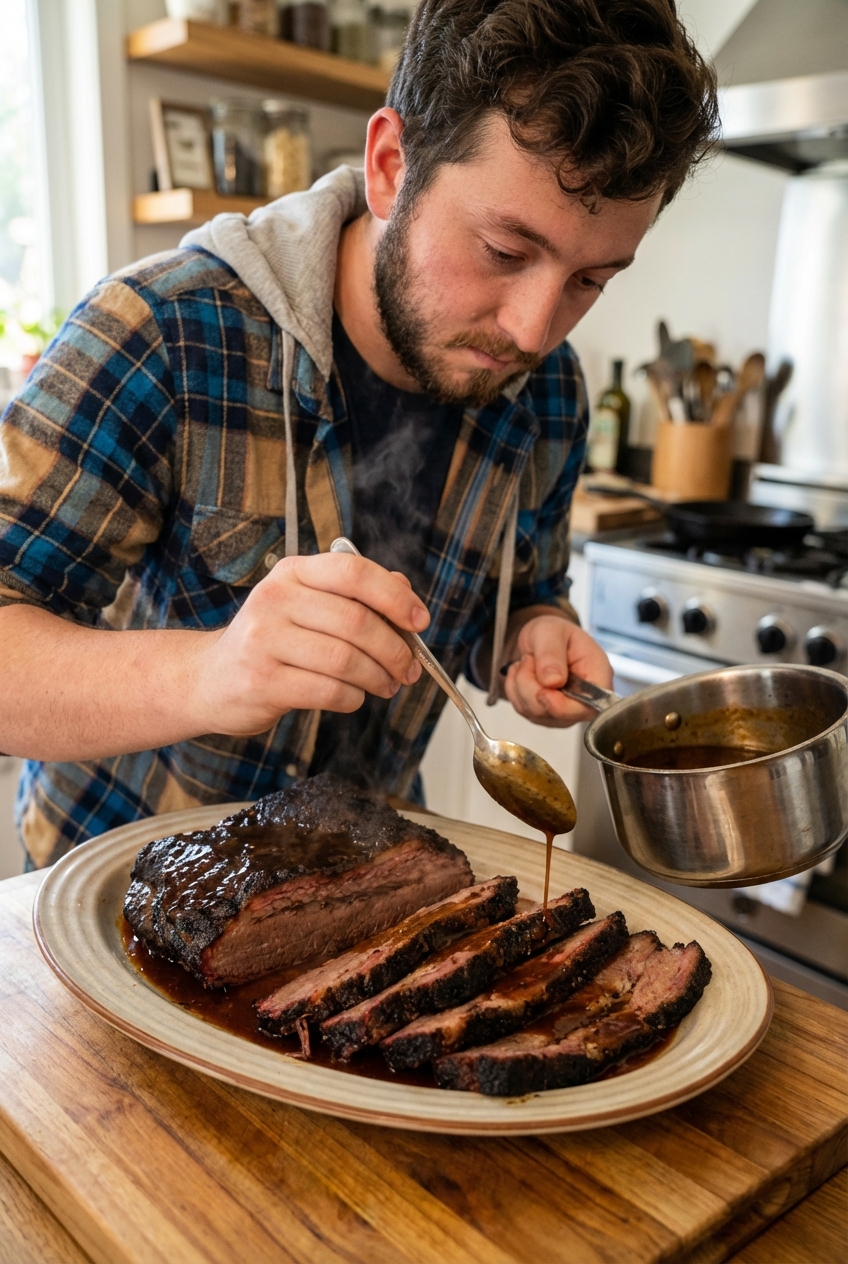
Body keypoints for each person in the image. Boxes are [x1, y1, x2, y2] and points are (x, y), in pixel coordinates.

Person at [0, 0, 717, 868]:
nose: (533, 331)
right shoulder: (163, 331)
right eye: (503, 249)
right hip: (112, 899)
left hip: (358, 893)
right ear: (388, 166)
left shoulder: (550, 393)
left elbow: (527, 584)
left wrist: (534, 631)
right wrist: (213, 672)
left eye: (591, 279)